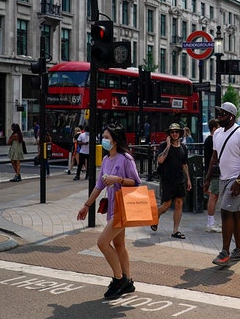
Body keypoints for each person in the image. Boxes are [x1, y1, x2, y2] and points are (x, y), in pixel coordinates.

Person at [76, 124, 141, 300]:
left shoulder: (125, 158)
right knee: (119, 244)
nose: (104, 140)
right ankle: (128, 280)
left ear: (115, 139)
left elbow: (136, 182)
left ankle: (119, 279)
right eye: (103, 136)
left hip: (124, 208)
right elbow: (99, 186)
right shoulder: (106, 160)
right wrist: (87, 205)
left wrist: (118, 179)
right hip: (113, 208)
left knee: (102, 242)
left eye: (106, 137)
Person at [203, 102, 240, 266]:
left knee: (225, 211)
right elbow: (214, 157)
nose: (219, 116)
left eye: (222, 114)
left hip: (239, 179)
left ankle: (225, 252)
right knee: (234, 213)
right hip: (224, 178)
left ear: (231, 116)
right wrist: (208, 178)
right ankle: (239, 250)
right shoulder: (217, 133)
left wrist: (239, 180)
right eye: (219, 113)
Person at [151, 123, 192, 239]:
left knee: (179, 203)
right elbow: (160, 160)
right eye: (172, 132)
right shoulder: (164, 145)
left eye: (176, 132)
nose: (174, 134)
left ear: (180, 134)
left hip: (180, 179)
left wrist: (188, 179)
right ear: (169, 134)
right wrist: (168, 146)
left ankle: (175, 231)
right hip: (168, 180)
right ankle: (155, 215)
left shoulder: (183, 147)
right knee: (166, 205)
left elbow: (185, 165)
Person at [204, 119, 222, 233]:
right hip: (215, 173)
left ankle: (212, 221)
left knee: (214, 196)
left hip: (212, 172)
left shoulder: (208, 140)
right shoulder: (212, 141)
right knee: (213, 196)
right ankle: (210, 223)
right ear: (214, 128)